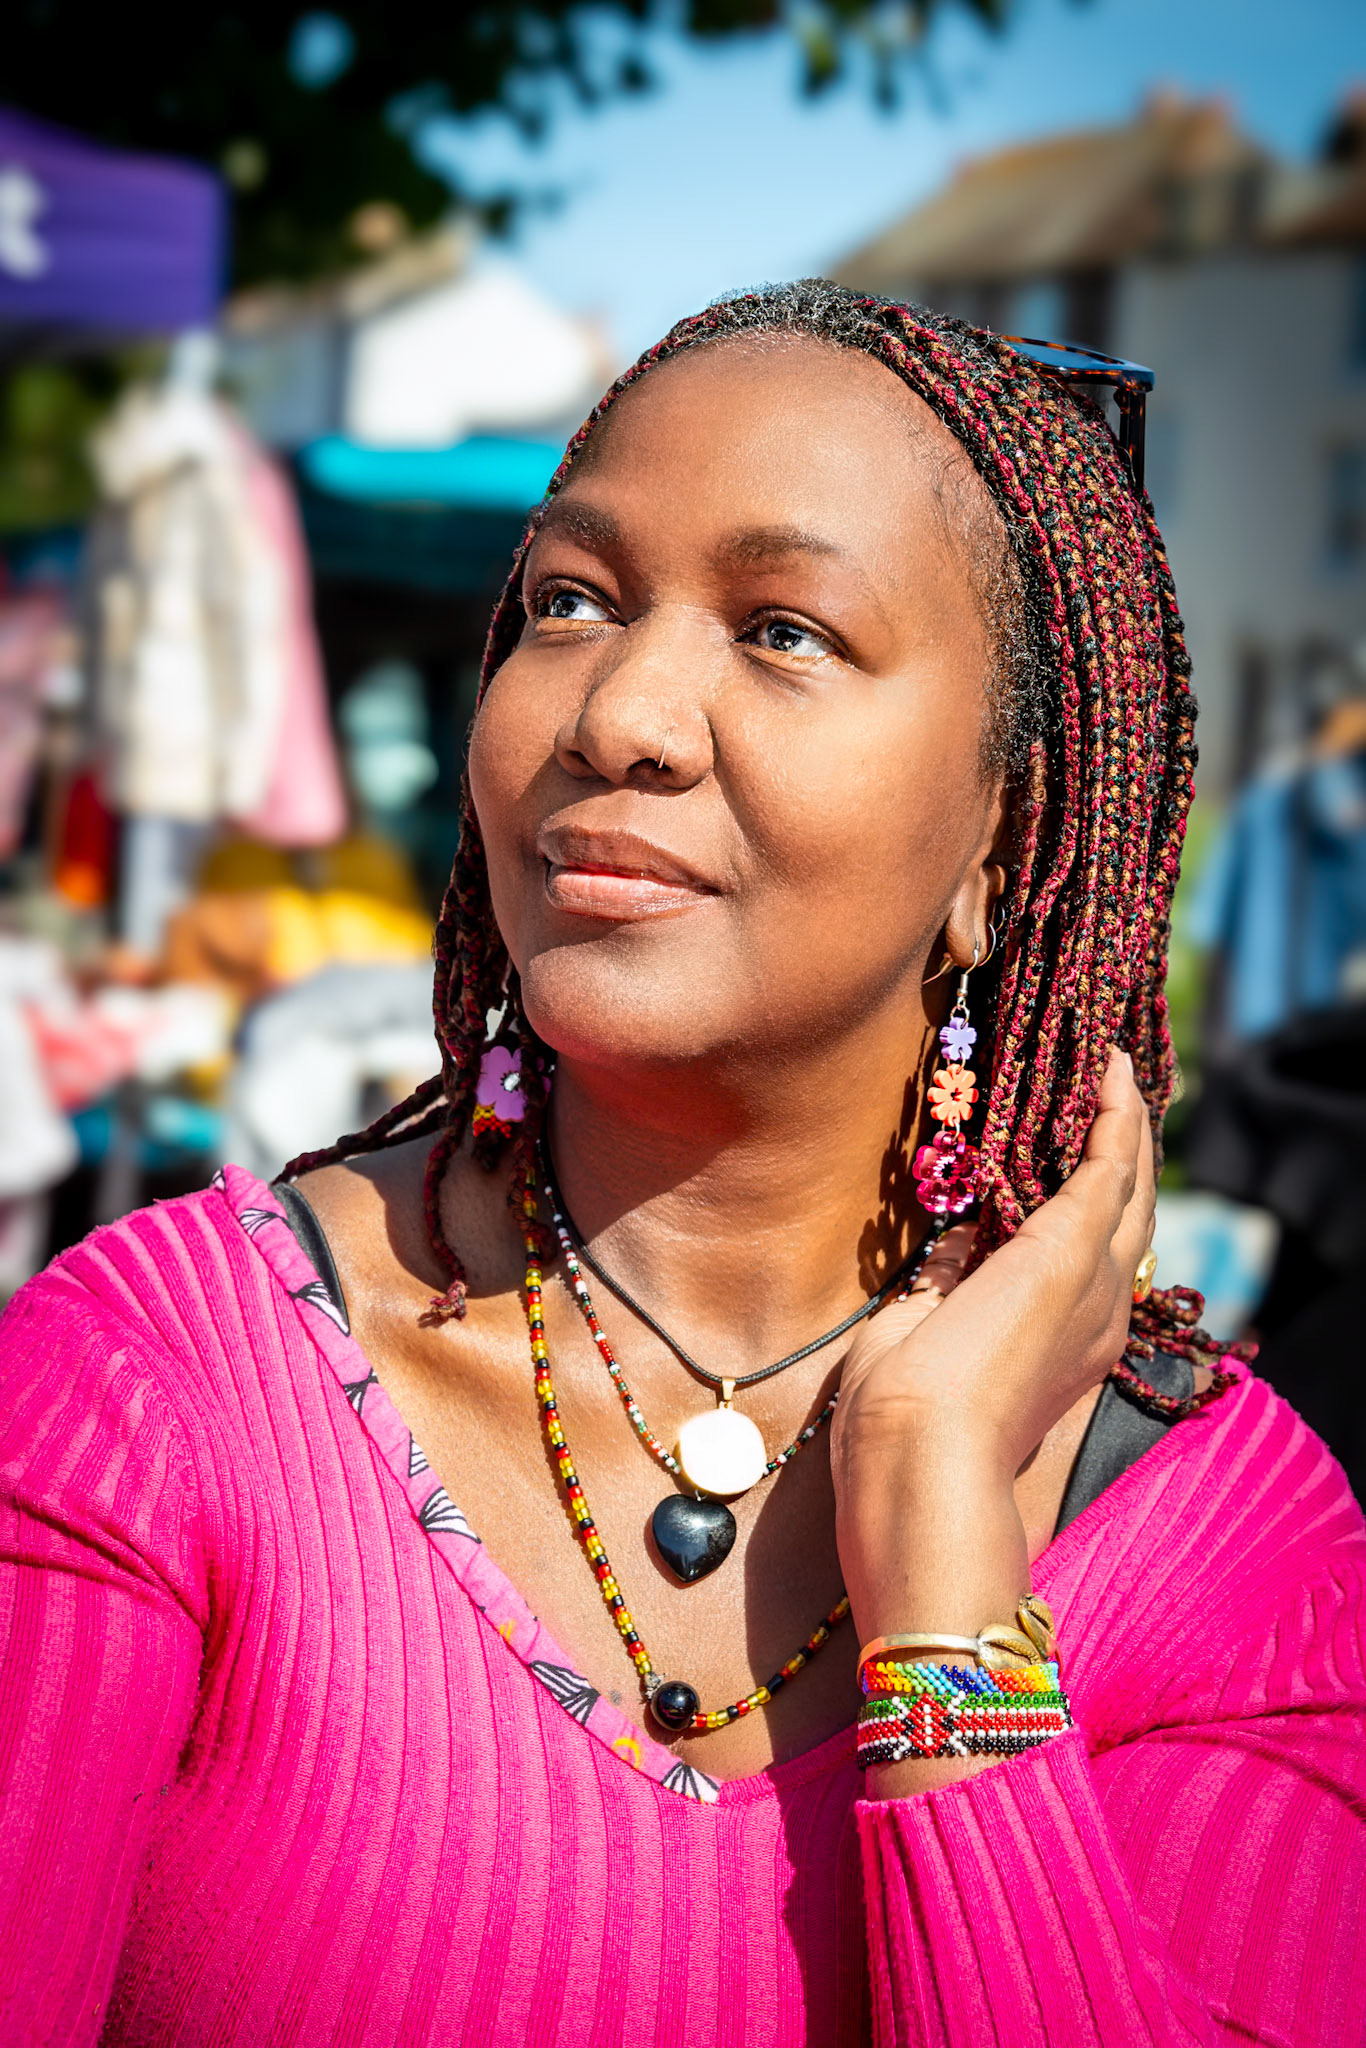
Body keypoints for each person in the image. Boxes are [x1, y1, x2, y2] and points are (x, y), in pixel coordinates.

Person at [1, 284, 1362, 2047]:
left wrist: (941, 1561)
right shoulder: (153, 1383)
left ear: (999, 832)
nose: (621, 711)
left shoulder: (1239, 1551)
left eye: (786, 630)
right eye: (569, 600)